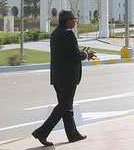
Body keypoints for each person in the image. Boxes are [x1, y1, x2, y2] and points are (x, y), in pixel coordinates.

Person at [32, 10, 95, 146]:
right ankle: (42, 132)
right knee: (64, 105)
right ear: (67, 21)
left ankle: (73, 134)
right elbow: (74, 54)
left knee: (66, 106)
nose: (75, 21)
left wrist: (81, 53)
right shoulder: (67, 33)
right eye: (73, 19)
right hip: (67, 77)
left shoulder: (56, 33)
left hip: (58, 76)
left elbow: (67, 53)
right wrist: (85, 54)